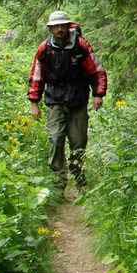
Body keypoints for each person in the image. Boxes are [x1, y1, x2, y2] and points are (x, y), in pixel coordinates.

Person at [28, 10, 107, 191]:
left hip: (78, 101)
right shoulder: (45, 48)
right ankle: (58, 183)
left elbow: (97, 70)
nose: (60, 29)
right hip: (54, 100)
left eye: (63, 25)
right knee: (55, 139)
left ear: (68, 26)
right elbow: (36, 76)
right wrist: (34, 102)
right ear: (51, 29)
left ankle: (79, 180)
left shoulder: (81, 46)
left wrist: (98, 94)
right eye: (56, 26)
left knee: (78, 143)